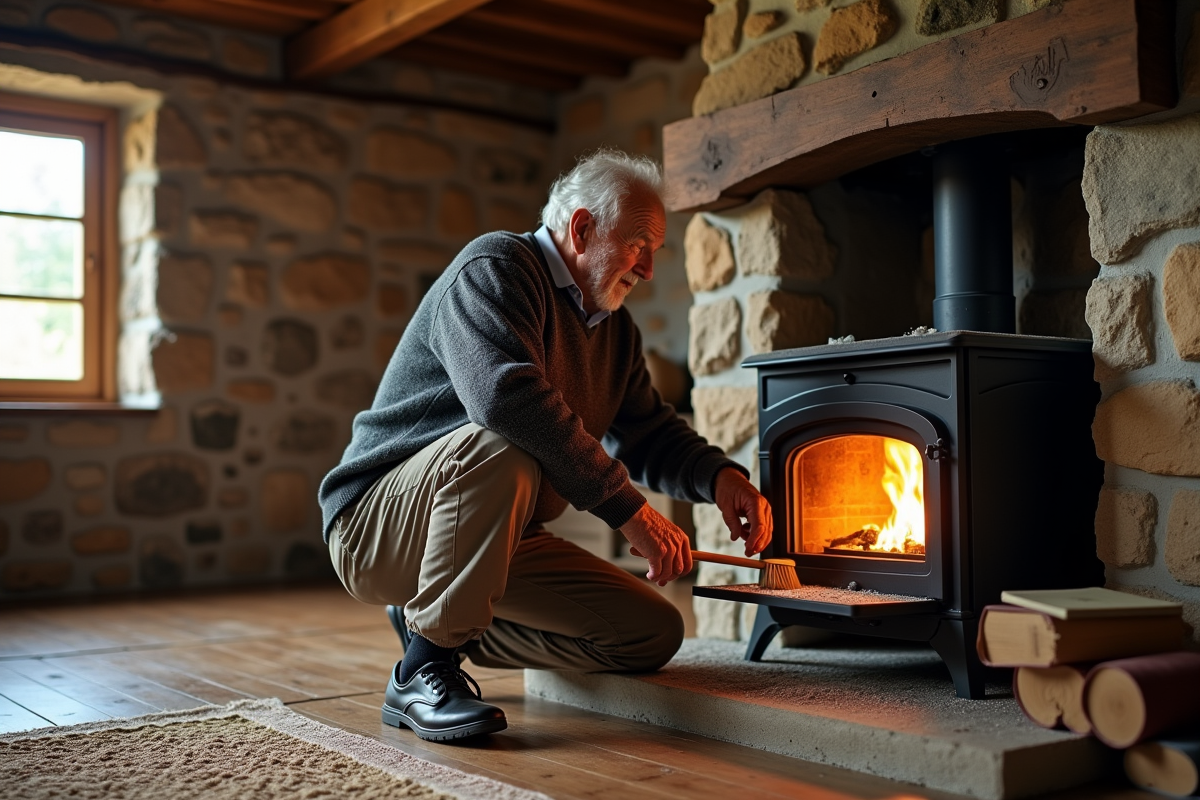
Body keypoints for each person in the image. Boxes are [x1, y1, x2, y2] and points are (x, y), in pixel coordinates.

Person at [318, 149, 773, 743]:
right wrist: (629, 511)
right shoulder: (495, 266)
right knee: (504, 444)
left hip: (494, 538)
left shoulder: (615, 332)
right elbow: (505, 399)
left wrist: (719, 478)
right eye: (640, 244)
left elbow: (647, 431)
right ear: (582, 228)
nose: (650, 269)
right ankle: (423, 668)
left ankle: (433, 617)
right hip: (374, 523)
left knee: (650, 632)